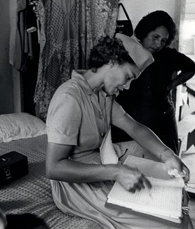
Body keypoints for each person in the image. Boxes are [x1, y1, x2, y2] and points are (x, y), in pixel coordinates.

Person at [46, 34, 189, 229]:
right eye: (128, 76)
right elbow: (54, 168)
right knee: (169, 223)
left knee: (156, 169)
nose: (128, 86)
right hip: (74, 184)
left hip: (100, 164)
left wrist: (167, 155)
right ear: (113, 62)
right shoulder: (70, 98)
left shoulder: (102, 95)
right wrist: (116, 172)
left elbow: (134, 127)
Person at [112, 10, 195, 155]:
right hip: (130, 116)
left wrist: (171, 85)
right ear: (145, 32)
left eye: (163, 40)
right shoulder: (127, 52)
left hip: (161, 116)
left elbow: (191, 67)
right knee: (130, 160)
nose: (158, 44)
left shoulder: (169, 55)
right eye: (155, 37)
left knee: (167, 162)